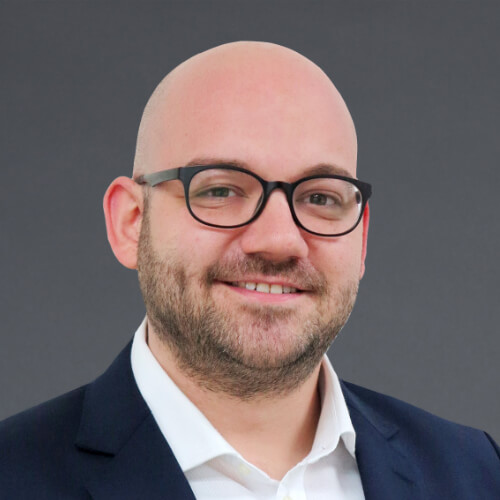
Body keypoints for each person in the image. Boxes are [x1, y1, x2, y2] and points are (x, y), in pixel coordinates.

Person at [0, 41, 498, 500]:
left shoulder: (478, 474)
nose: (279, 241)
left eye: (321, 197)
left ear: (361, 238)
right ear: (131, 222)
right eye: (220, 190)